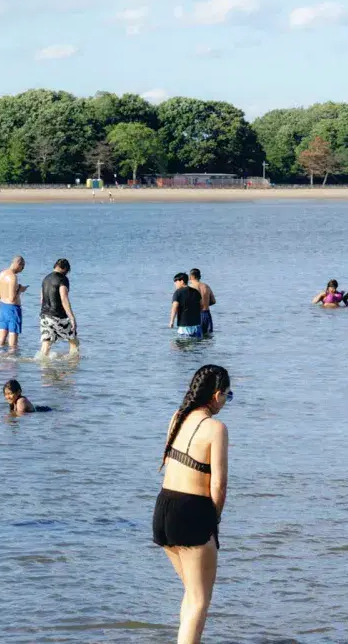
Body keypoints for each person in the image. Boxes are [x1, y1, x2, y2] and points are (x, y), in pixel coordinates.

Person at [153, 364, 232, 644]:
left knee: (191, 593)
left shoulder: (177, 417)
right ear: (216, 394)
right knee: (199, 601)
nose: (226, 401)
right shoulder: (215, 428)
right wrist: (214, 521)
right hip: (192, 510)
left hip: (163, 509)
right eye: (228, 395)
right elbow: (219, 485)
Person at [38, 259, 79, 357]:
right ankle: (73, 366)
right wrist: (72, 318)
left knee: (46, 345)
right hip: (59, 317)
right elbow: (64, 298)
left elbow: (41, 299)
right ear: (65, 268)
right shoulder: (62, 279)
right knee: (74, 341)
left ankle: (43, 369)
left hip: (45, 316)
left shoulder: (45, 279)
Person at [0, 255, 29, 348]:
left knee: (1, 337)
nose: (22, 270)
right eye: (22, 267)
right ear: (18, 264)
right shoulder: (13, 277)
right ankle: (12, 358)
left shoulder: (1, 274)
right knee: (13, 339)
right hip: (13, 309)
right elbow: (12, 298)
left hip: (3, 307)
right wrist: (20, 289)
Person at [169, 273, 204, 339]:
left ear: (182, 281)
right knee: (196, 346)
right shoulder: (196, 292)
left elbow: (174, 307)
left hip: (184, 326)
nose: (175, 284)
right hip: (196, 324)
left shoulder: (178, 293)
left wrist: (172, 321)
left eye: (176, 281)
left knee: (183, 346)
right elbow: (202, 306)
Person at [188, 269, 216, 337]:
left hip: (196, 315)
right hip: (206, 314)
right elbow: (213, 301)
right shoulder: (206, 286)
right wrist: (205, 304)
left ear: (191, 276)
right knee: (208, 337)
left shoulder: (190, 287)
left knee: (195, 338)